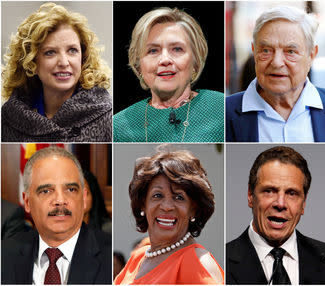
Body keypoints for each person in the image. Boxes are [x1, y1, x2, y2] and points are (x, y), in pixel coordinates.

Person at [1, 2, 112, 142]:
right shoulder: (9, 119)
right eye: (50, 52)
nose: (64, 62)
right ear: (31, 62)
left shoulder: (108, 118)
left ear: (83, 58)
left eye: (72, 50)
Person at [1, 147, 111, 284]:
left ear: (83, 199)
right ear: (27, 202)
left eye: (71, 189)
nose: (60, 201)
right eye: (46, 191)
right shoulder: (4, 254)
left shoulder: (110, 257)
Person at [226, 146, 325, 284]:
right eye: (270, 191)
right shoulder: (222, 262)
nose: (280, 203)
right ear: (250, 195)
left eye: (291, 193)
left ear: (303, 203)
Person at [114, 147, 224, 284]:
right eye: (157, 195)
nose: (167, 207)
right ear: (143, 204)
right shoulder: (139, 256)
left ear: (193, 209)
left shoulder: (198, 264)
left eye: (179, 197)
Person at [226, 6, 325, 142]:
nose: (277, 63)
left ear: (311, 55)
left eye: (290, 51)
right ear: (254, 52)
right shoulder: (223, 113)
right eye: (266, 50)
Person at [113, 7, 224, 142]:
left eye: (177, 49)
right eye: (153, 51)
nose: (165, 60)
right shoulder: (118, 126)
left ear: (195, 61)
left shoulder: (222, 107)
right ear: (138, 66)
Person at [82, 169, 112, 233]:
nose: (79, 198)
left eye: (84, 192)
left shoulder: (108, 230)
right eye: (73, 190)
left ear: (93, 195)